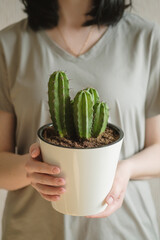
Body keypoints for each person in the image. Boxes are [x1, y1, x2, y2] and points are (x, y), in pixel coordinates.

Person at [0, 0, 160, 239]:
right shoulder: (8, 44)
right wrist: (30, 169)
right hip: (34, 232)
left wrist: (125, 169)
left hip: (126, 231)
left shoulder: (146, 38)